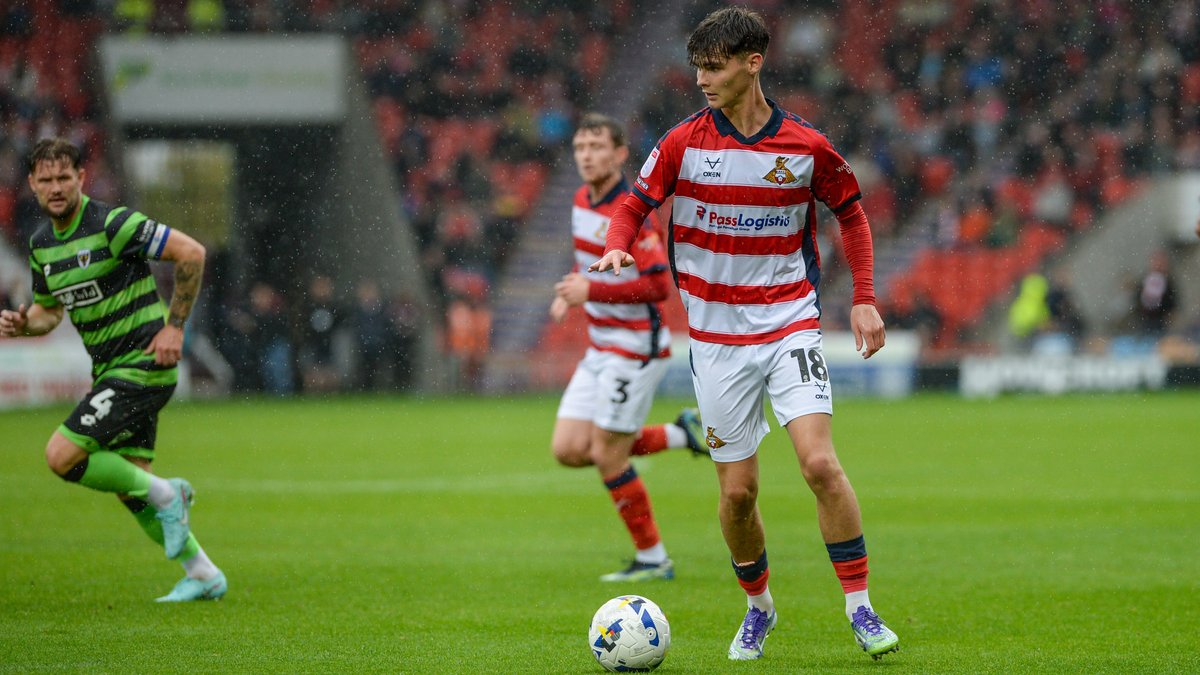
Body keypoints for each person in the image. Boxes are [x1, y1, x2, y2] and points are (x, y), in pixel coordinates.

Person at [590, 8, 899, 661]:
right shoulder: (683, 142)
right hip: (716, 339)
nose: (702, 79)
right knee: (737, 494)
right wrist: (617, 244)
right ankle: (759, 608)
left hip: (789, 322)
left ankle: (861, 607)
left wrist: (864, 299)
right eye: (698, 67)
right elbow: (633, 204)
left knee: (819, 463)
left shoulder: (805, 146)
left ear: (752, 63)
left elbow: (851, 214)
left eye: (714, 67)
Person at [0, 138, 226, 602]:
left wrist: (175, 328)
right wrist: (24, 325)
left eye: (64, 177)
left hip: (145, 362)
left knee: (61, 456)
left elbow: (192, 252)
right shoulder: (42, 245)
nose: (56, 187)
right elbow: (49, 312)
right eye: (46, 180)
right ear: (32, 185)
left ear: (81, 178)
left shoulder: (114, 224)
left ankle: (170, 495)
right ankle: (203, 573)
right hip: (109, 371)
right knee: (131, 484)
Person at [550, 112, 709, 583]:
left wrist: (590, 291)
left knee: (608, 455)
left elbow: (659, 286)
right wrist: (571, 290)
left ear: (620, 154)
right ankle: (679, 434)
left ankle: (653, 558)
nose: (587, 156)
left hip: (636, 348)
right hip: (600, 346)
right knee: (569, 449)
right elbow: (589, 262)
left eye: (597, 147)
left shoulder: (632, 211)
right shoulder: (580, 200)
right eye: (581, 148)